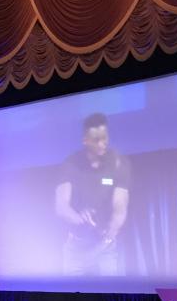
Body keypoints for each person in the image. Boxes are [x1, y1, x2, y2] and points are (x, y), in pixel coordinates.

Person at [55, 112, 131, 276]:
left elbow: (120, 206)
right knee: (71, 292)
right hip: (76, 249)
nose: (102, 143)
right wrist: (80, 219)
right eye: (97, 140)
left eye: (105, 138)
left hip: (105, 247)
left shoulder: (119, 164)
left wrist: (110, 233)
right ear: (86, 140)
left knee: (111, 290)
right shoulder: (70, 164)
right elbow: (61, 206)